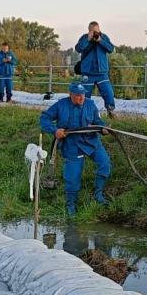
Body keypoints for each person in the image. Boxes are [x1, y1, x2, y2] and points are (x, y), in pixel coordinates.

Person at [40, 80, 111, 215]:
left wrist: (103, 128)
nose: (81, 98)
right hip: (71, 145)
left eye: (83, 95)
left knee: (105, 164)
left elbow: (98, 122)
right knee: (72, 177)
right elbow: (45, 119)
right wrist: (55, 130)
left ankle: (98, 194)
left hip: (91, 142)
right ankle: (71, 205)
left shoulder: (90, 104)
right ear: (70, 95)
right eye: (78, 95)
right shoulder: (61, 105)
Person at [74, 21, 116, 117]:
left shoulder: (104, 37)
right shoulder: (84, 38)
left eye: (96, 31)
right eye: (92, 32)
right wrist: (88, 39)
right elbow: (78, 48)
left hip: (102, 72)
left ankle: (111, 111)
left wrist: (100, 40)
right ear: (89, 31)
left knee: (108, 93)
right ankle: (82, 112)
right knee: (84, 94)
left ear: (99, 30)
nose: (95, 34)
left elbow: (111, 49)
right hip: (87, 72)